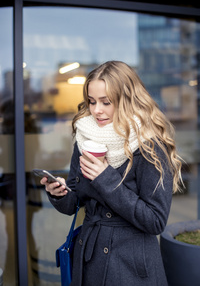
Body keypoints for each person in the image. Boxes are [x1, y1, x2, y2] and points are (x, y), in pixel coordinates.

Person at [41, 61, 183, 286]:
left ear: (128, 100)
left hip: (130, 268)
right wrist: (60, 193)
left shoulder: (149, 145)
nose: (97, 110)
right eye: (92, 101)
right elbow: (74, 203)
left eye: (106, 102)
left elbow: (155, 221)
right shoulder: (86, 137)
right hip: (88, 259)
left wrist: (105, 178)